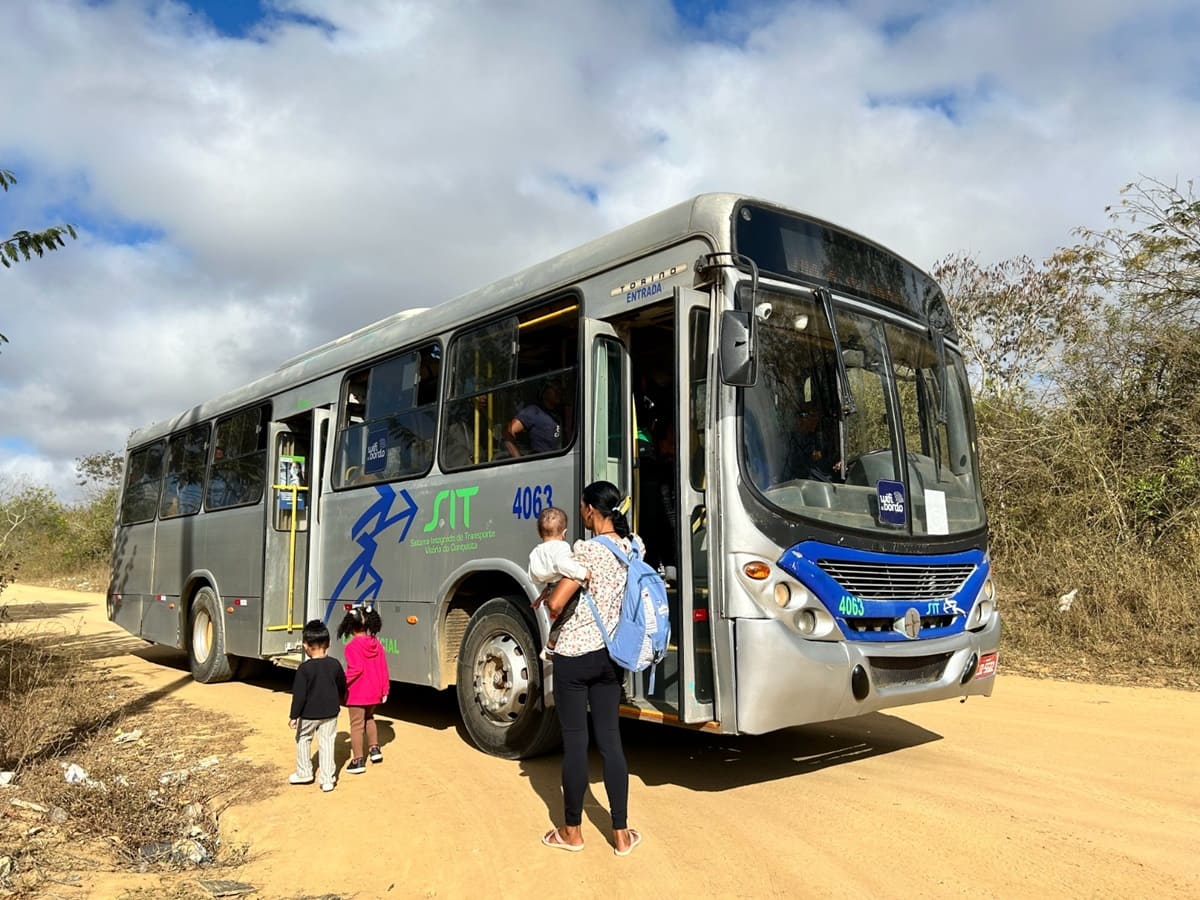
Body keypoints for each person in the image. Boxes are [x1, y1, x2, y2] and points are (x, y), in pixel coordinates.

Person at [539, 480, 642, 857]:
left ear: (588, 511)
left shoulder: (585, 550)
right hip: (610, 658)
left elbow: (557, 604)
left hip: (574, 656)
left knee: (575, 743)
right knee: (611, 743)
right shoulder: (631, 548)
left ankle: (572, 832)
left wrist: (550, 594)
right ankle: (621, 834)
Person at [288, 619, 347, 793]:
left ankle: (304, 772)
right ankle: (327, 779)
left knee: (303, 739)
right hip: (330, 712)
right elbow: (342, 685)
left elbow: (299, 696)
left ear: (305, 645)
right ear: (328, 644)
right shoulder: (335, 664)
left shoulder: (304, 669)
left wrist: (294, 716)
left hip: (308, 714)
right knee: (327, 742)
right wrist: (341, 700)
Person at [527, 506, 589, 659]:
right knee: (568, 616)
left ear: (540, 533)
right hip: (562, 588)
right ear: (564, 533)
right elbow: (563, 565)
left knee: (562, 618)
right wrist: (583, 573)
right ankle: (550, 647)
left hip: (549, 589)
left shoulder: (536, 551)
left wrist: (545, 591)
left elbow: (533, 575)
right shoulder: (561, 547)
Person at [337, 605, 390, 773]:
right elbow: (383, 668)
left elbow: (356, 669)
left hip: (358, 693)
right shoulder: (377, 645)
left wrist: (340, 681)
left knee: (356, 725)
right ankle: (375, 749)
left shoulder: (351, 647)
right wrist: (384, 690)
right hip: (375, 692)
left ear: (350, 626)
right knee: (370, 718)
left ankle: (358, 760)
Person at [504, 384, 564, 457]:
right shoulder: (533, 411)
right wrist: (518, 459)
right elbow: (508, 431)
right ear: (544, 393)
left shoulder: (560, 414)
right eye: (554, 389)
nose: (558, 392)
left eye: (560, 389)